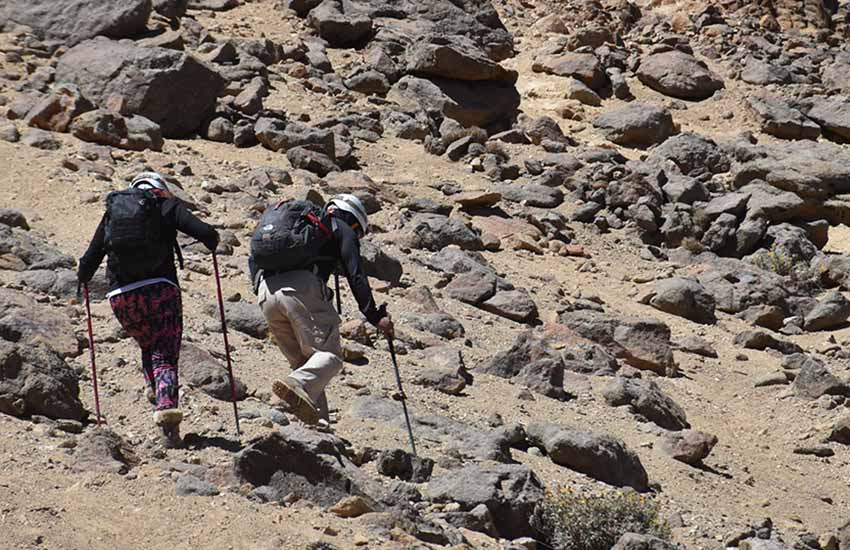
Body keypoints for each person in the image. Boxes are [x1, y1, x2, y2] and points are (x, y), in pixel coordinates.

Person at [77, 172, 219, 448]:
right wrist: (213, 242)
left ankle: (154, 388)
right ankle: (167, 419)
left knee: (148, 344)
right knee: (165, 356)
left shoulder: (114, 212)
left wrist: (83, 277)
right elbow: (206, 233)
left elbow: (89, 261)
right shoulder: (165, 205)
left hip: (121, 296)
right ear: (160, 190)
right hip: (160, 290)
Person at [251, 194, 394, 425]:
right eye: (358, 231)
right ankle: (296, 383)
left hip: (265, 293)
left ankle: (317, 425)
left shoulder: (295, 227)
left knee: (306, 365)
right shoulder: (341, 227)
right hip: (301, 289)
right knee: (331, 357)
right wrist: (374, 315)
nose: (355, 235)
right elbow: (355, 274)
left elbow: (253, 259)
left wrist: (261, 290)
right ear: (353, 220)